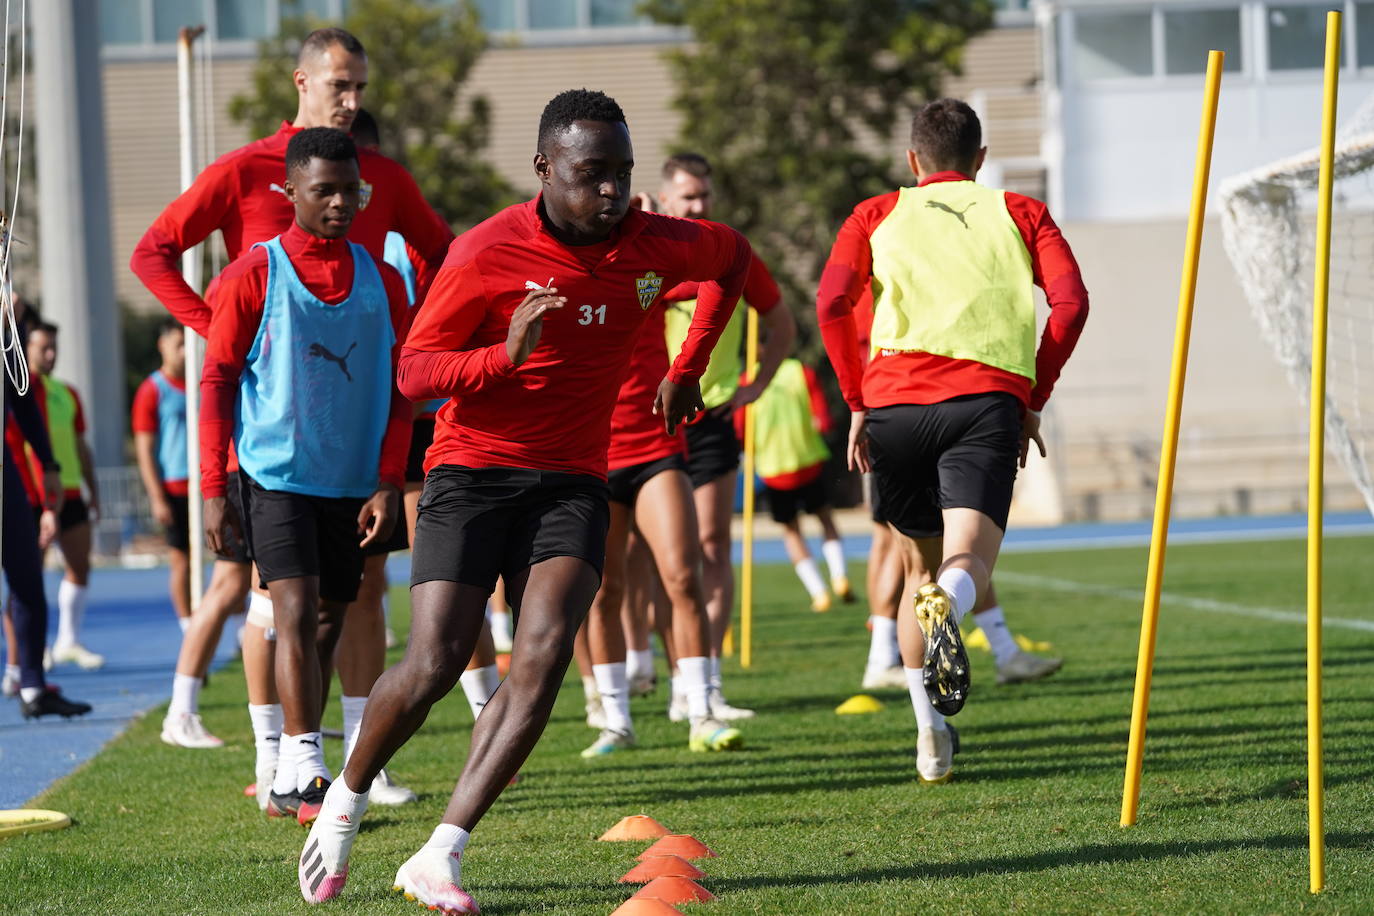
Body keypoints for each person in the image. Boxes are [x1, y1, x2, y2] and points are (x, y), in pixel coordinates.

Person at [296, 88, 750, 910]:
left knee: (540, 660)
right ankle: (344, 801)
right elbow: (415, 372)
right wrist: (502, 358)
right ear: (544, 169)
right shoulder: (485, 252)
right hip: (472, 472)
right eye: (591, 174)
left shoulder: (655, 243)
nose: (611, 191)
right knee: (435, 660)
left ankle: (442, 853)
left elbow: (733, 262)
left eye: (622, 173)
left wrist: (691, 370)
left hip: (574, 478)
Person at [131, 30, 448, 806]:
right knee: (271, 601)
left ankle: (355, 760)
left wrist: (428, 343)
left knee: (354, 599)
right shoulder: (246, 173)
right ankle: (281, 754)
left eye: (362, 88)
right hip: (267, 438)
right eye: (341, 84)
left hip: (354, 442)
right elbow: (154, 251)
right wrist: (219, 327)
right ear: (301, 81)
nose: (353, 100)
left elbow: (445, 260)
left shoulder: (382, 179)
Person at [817, 98, 1088, 784]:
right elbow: (1073, 302)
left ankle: (931, 740)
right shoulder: (1019, 212)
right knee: (965, 565)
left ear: (913, 161)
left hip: (894, 408)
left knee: (918, 573)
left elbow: (830, 303)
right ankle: (955, 609)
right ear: (982, 159)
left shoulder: (874, 214)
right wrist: (1033, 395)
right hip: (983, 403)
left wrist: (855, 400)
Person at [200, 127, 412, 826]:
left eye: (352, 190)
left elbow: (401, 389)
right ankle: (305, 765)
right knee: (291, 607)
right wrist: (211, 489)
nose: (341, 203)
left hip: (353, 483)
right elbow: (216, 381)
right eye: (324, 190)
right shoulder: (252, 275)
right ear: (287, 191)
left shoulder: (383, 281)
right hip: (273, 475)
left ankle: (295, 770)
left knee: (328, 618)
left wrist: (387, 481)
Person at [651, 152, 796, 721]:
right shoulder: (651, 257)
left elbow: (781, 320)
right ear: (664, 200)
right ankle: (677, 681)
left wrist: (757, 382)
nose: (698, 205)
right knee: (668, 561)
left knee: (712, 548)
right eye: (687, 196)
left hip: (710, 419)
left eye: (705, 195)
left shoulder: (730, 254)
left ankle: (707, 684)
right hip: (655, 423)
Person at [577, 268, 744, 758]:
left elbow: (721, 277)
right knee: (605, 593)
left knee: (682, 577)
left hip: (655, 448)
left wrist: (670, 244)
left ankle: (701, 712)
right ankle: (616, 721)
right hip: (593, 457)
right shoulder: (559, 281)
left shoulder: (644, 276)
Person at [3, 326, 91, 718]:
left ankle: (33, 687)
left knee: (28, 580)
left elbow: (22, 404)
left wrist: (49, 463)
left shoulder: (8, 341)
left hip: (8, 477)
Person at [735, 357, 851, 613]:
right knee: (825, 519)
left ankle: (818, 593)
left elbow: (741, 433)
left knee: (792, 532)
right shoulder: (802, 371)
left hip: (773, 469)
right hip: (808, 460)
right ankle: (839, 576)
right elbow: (823, 419)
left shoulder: (745, 383)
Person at [25, 322, 103, 670]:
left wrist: (93, 489)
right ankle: (34, 646)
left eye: (54, 347)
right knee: (29, 574)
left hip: (69, 491)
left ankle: (68, 640)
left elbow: (80, 446)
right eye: (44, 348)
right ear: (26, 348)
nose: (51, 355)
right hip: (32, 495)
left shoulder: (66, 393)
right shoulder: (19, 393)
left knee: (80, 566)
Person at [131, 319, 194, 636]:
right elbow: (144, 448)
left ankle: (235, 625)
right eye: (177, 344)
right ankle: (187, 626)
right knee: (181, 558)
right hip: (174, 486)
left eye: (188, 344)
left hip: (205, 486)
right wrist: (156, 496)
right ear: (163, 345)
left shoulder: (199, 383)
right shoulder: (152, 390)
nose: (184, 352)